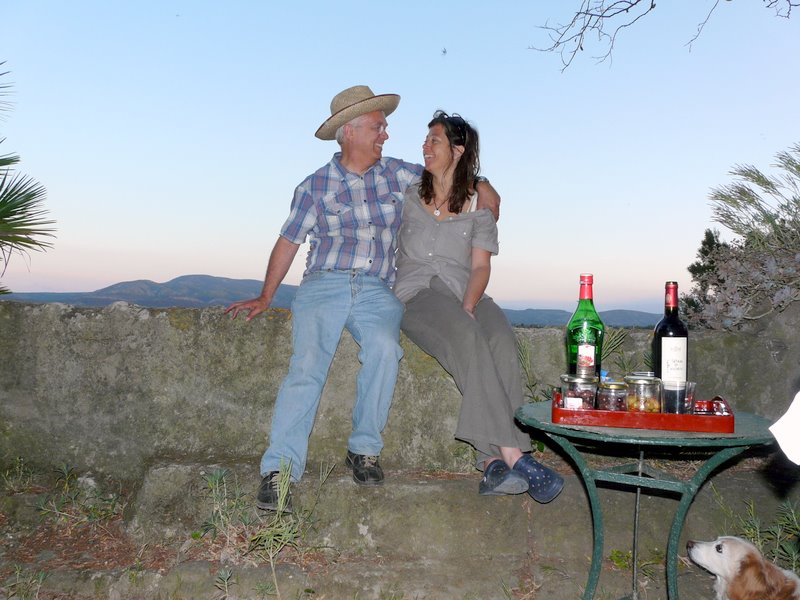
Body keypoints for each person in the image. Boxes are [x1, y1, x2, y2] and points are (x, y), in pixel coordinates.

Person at [225, 86, 500, 510]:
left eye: (384, 127)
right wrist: (266, 295)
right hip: (323, 282)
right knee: (307, 365)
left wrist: (483, 184)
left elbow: (448, 169)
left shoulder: (400, 176)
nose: (386, 134)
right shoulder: (314, 186)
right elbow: (289, 241)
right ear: (350, 131)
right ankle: (278, 471)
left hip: (376, 288)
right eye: (378, 127)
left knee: (385, 350)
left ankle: (364, 449)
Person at [393, 111, 564, 501]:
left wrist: (469, 304)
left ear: (458, 150)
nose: (425, 146)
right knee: (468, 337)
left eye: (434, 140)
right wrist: (483, 179)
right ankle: (515, 455)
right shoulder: (407, 189)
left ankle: (491, 464)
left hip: (465, 289)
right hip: (417, 294)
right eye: (426, 139)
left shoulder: (478, 206)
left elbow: (481, 267)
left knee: (501, 338)